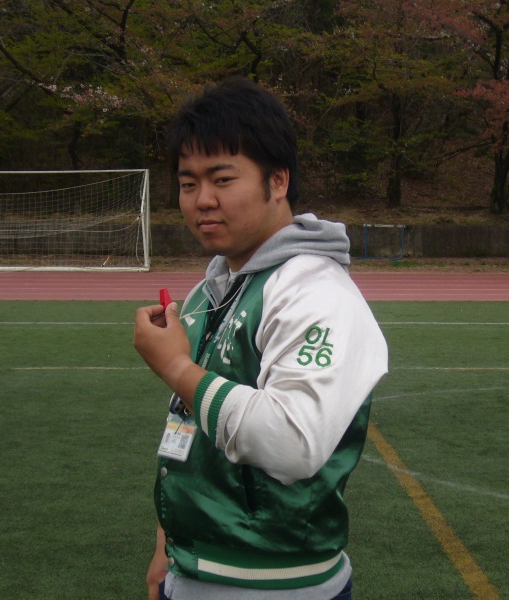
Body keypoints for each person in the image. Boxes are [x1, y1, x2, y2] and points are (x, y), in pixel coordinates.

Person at [133, 77, 388, 600]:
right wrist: (167, 543)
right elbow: (189, 423)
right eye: (188, 183)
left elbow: (292, 444)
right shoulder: (212, 289)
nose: (203, 200)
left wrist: (177, 367)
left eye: (222, 179)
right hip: (192, 568)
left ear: (278, 181)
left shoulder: (316, 290)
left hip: (280, 586)